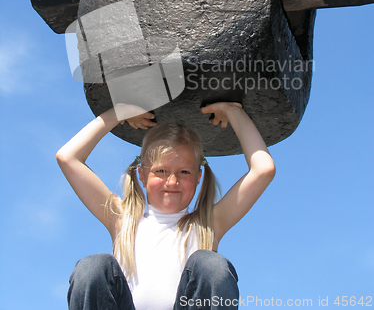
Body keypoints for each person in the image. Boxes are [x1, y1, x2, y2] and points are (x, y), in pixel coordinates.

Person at [56, 102, 275, 310]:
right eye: (161, 171)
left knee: (211, 265)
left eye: (184, 172)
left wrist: (233, 112)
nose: (172, 182)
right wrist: (118, 112)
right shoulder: (122, 219)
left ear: (199, 176)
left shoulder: (210, 224)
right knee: (93, 267)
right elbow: (68, 157)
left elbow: (263, 169)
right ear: (142, 174)